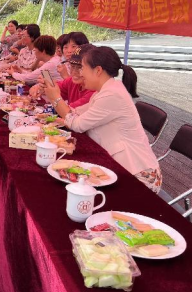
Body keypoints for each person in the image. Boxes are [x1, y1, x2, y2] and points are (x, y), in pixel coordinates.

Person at [44, 46, 162, 194]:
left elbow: (77, 124)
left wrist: (56, 98)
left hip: (138, 174)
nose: (81, 73)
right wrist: (56, 101)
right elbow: (76, 113)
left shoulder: (112, 94)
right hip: (120, 165)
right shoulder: (105, 91)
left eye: (83, 68)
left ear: (98, 70)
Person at [30, 44, 96, 108]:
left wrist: (53, 95)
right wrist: (41, 87)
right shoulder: (71, 81)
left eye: (80, 67)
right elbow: (54, 87)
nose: (74, 72)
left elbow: (68, 112)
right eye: (73, 66)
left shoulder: (94, 91)